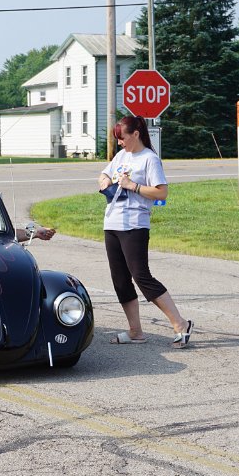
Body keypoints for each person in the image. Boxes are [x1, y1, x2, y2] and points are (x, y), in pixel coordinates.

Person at [98, 115, 193, 348]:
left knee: (141, 276)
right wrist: (103, 181)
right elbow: (105, 173)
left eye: (122, 138)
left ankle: (180, 324)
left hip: (135, 224)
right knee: (120, 280)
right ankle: (135, 331)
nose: (120, 143)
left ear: (136, 134)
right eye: (118, 139)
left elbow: (162, 193)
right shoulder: (122, 156)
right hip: (112, 223)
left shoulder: (150, 159)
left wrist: (134, 186)